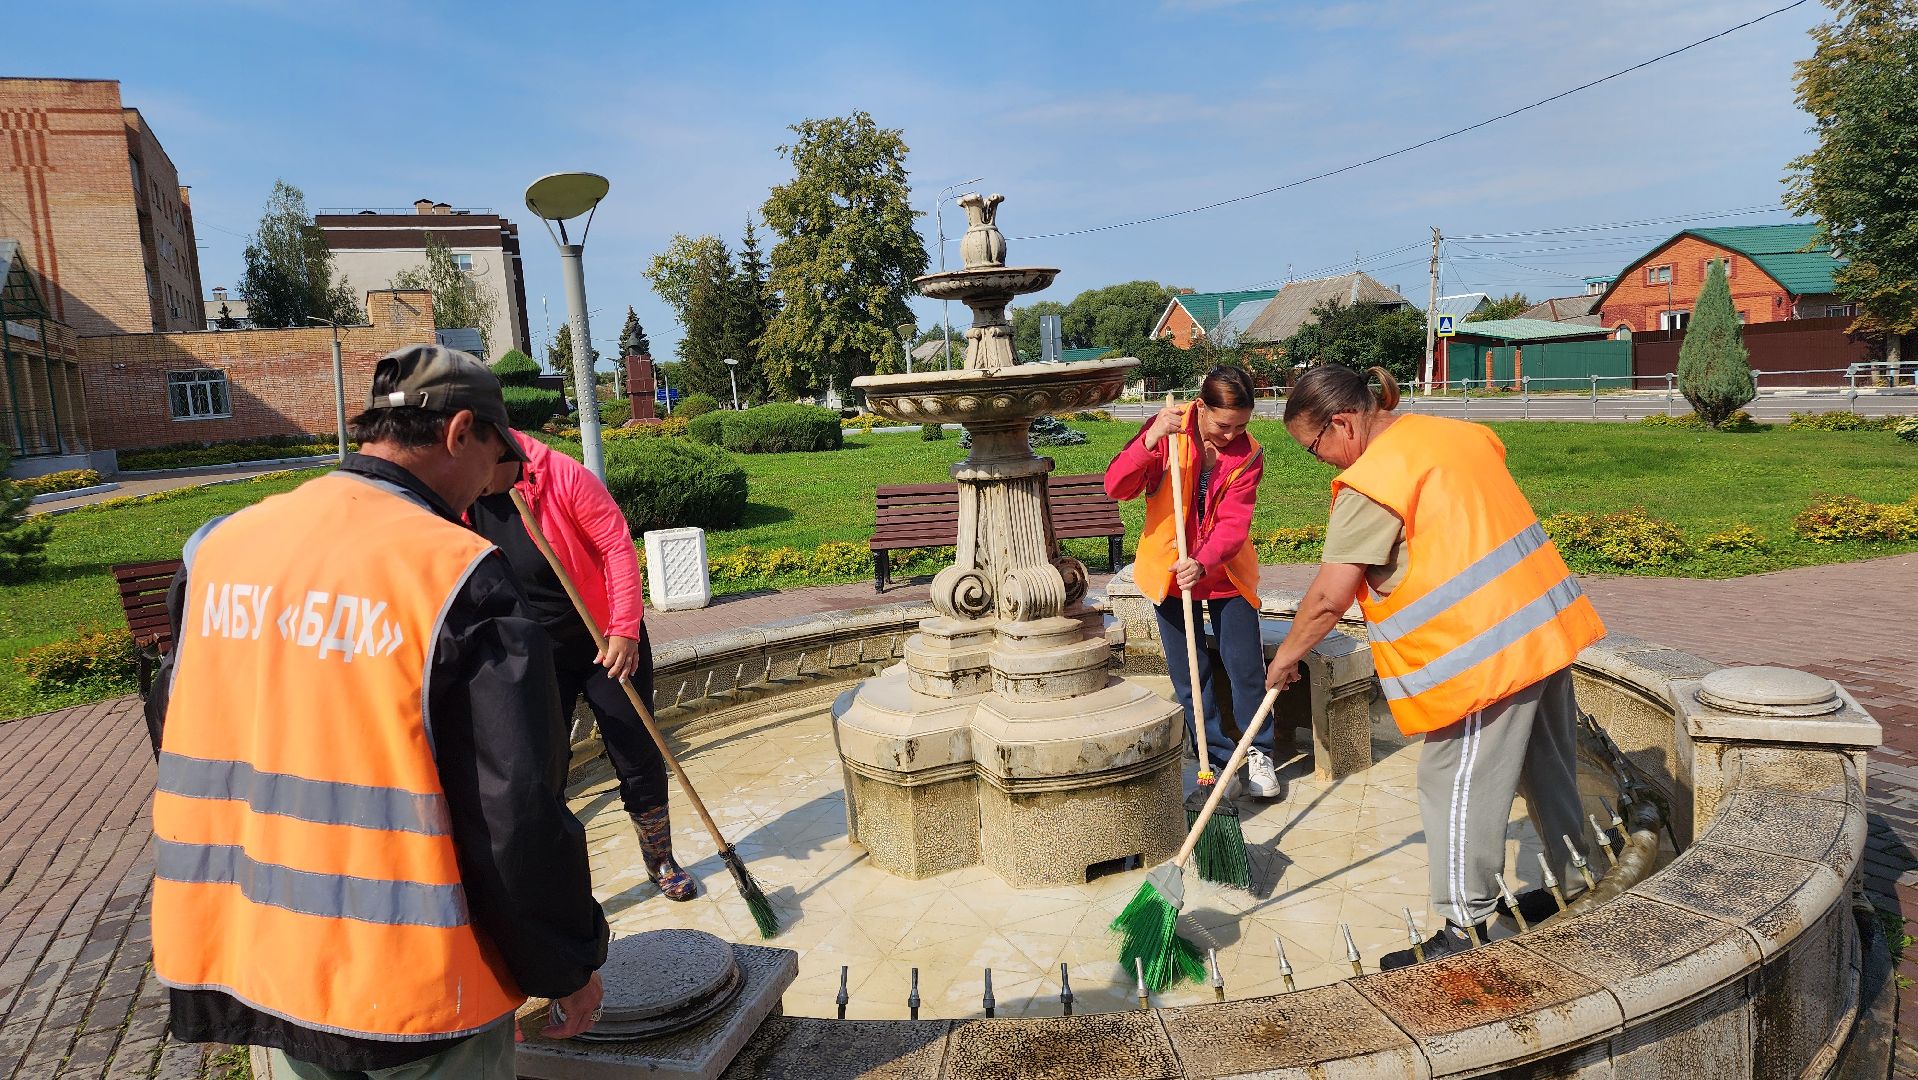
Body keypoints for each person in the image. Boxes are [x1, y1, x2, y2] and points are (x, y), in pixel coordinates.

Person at [146, 344, 608, 1079]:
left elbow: (178, 723)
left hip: (267, 957)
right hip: (413, 986)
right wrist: (566, 963)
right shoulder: (454, 574)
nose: (493, 487)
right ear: (461, 432)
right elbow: (513, 810)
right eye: (496, 459)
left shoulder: (221, 548)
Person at [1262, 365, 1605, 968]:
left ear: (1343, 422)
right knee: (1546, 764)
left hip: (1480, 655)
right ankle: (1581, 880)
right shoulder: (1452, 435)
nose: (1322, 461)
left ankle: (1464, 927)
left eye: (1315, 447)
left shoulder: (1375, 483)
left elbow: (1326, 598)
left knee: (1453, 782)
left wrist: (1287, 656)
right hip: (1540, 628)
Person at [467, 428, 696, 901]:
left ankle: (660, 859)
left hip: (601, 639)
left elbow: (616, 547)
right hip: (531, 649)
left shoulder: (561, 476)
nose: (469, 481)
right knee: (541, 763)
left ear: (498, 451)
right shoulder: (464, 495)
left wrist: (624, 630)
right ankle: (560, 878)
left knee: (635, 749)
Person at [1105, 365, 1282, 800]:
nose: (1232, 434)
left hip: (1225, 573)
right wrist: (1148, 442)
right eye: (1224, 424)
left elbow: (1233, 524)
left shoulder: (1248, 455)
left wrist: (1203, 562)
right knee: (1190, 672)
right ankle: (1218, 756)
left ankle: (1259, 749)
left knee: (1245, 670)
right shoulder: (1166, 432)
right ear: (1200, 407)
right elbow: (1117, 487)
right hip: (1168, 572)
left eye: (1242, 424)